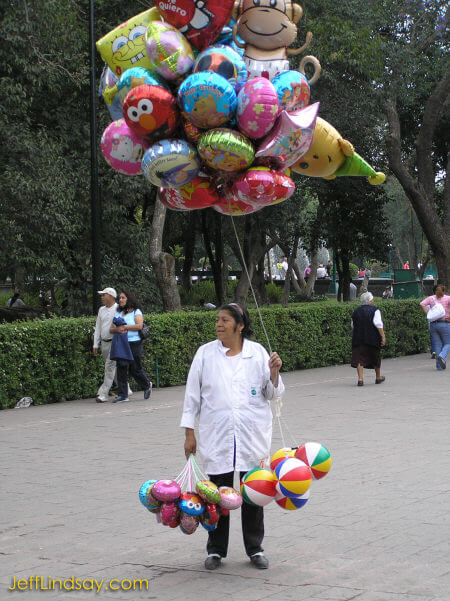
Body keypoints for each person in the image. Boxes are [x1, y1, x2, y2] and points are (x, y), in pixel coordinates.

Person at [181, 303, 284, 571]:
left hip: (251, 436)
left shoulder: (257, 353)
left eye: (225, 320)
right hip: (218, 435)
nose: (218, 324)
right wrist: (189, 432)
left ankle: (255, 548)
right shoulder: (205, 354)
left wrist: (274, 374)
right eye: (217, 320)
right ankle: (216, 549)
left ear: (239, 326)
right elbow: (192, 396)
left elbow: (271, 393)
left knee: (253, 493)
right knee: (216, 496)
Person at [109, 290, 152, 403]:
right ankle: (123, 395)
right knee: (121, 368)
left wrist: (125, 327)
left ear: (129, 299)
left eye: (123, 298)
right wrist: (117, 329)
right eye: (120, 298)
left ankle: (146, 385)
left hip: (134, 343)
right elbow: (111, 329)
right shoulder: (118, 313)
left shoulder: (136, 312)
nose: (120, 300)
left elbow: (139, 326)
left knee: (135, 368)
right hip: (122, 344)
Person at [351, 292, 386, 386]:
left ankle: (360, 379)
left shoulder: (356, 311)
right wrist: (383, 336)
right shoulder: (375, 310)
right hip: (372, 338)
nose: (373, 301)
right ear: (370, 301)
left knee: (359, 358)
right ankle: (378, 377)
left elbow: (352, 325)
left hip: (358, 338)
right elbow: (379, 325)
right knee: (376, 357)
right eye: (372, 300)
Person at [93, 287, 119, 403]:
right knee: (113, 368)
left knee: (109, 367)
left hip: (114, 343)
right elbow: (98, 327)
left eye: (104, 295)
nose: (102, 297)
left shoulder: (118, 308)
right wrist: (95, 344)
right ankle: (126, 388)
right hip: (104, 343)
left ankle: (103, 393)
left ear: (111, 296)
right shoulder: (101, 310)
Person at [419, 284, 450, 370]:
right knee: (448, 343)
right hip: (445, 323)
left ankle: (439, 366)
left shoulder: (431, 298)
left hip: (433, 324)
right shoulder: (448, 298)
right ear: (444, 291)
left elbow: (422, 304)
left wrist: (428, 314)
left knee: (437, 345)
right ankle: (442, 356)